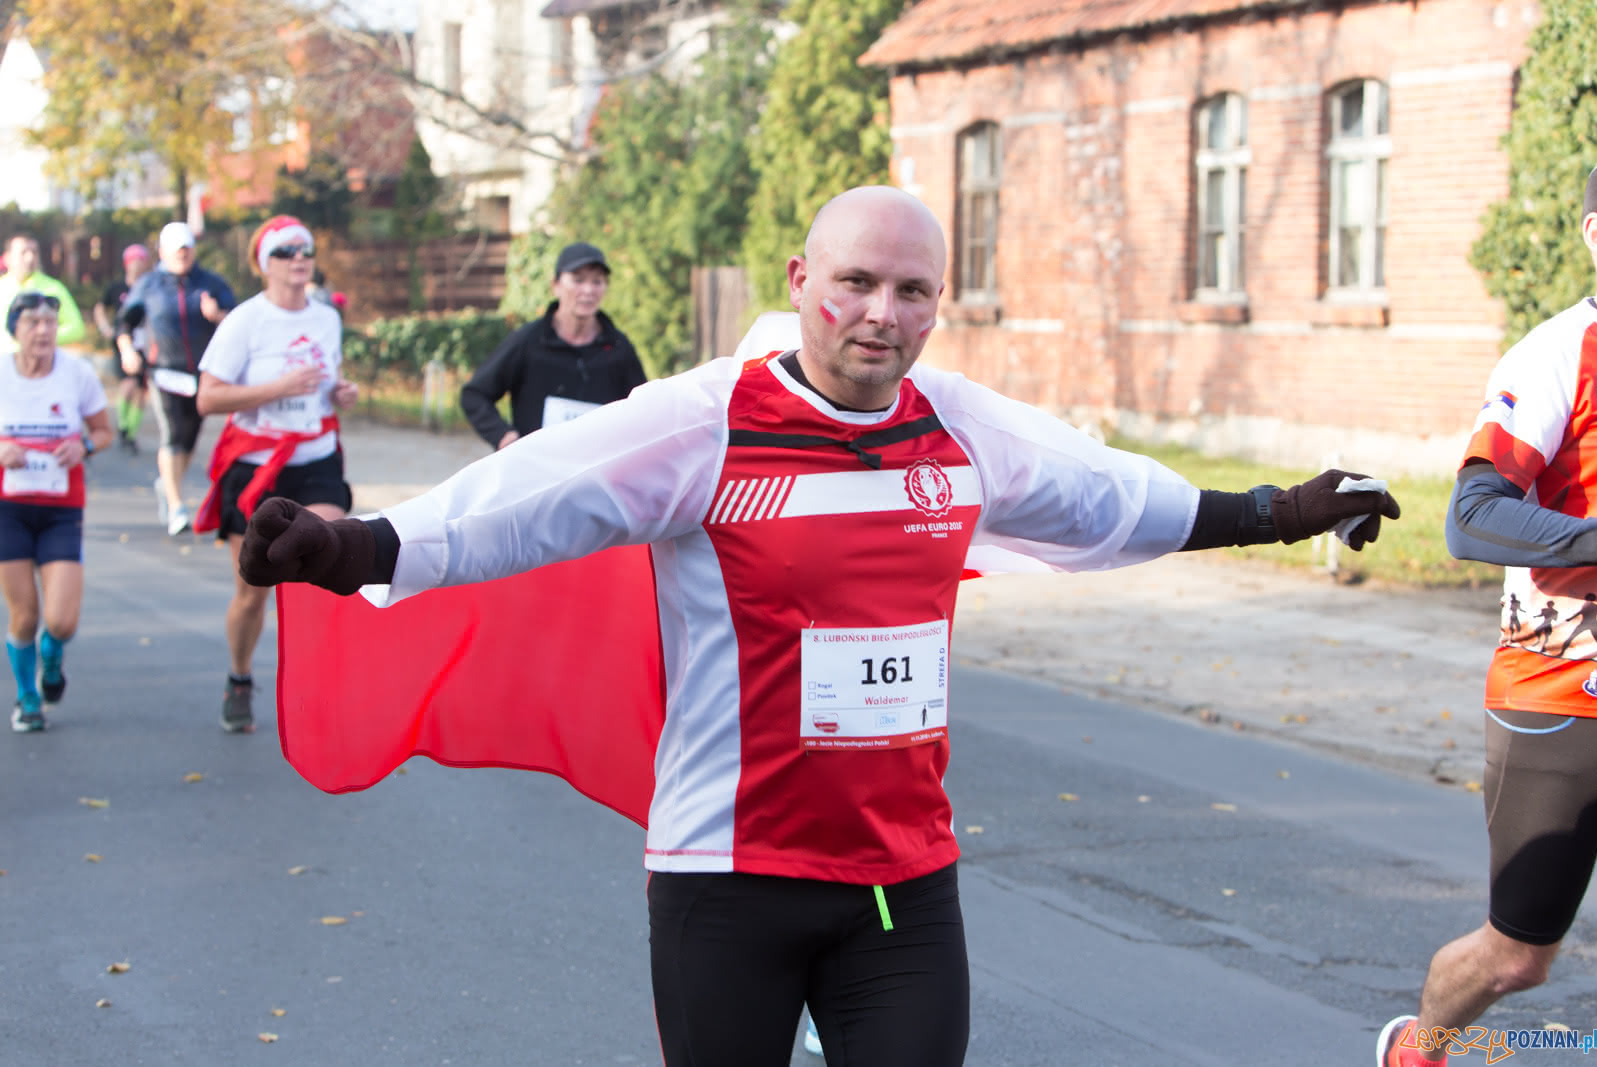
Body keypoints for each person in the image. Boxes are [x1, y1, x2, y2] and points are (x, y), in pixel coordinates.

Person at [237, 186, 1400, 1067]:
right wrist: (355, 548)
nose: (881, 317)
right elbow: (530, 500)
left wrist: (1279, 510)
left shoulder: (955, 426)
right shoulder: (708, 423)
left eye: (912, 292)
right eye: (854, 283)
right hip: (728, 877)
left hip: (901, 881)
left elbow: (1102, 494)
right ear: (800, 278)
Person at [1376, 164, 1597, 1066]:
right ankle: (1418, 1050)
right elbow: (1472, 516)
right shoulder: (1559, 354)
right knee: (1517, 958)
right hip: (1559, 691)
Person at [194, 215, 359, 734]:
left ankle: (313, 689)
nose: (299, 257)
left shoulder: (327, 317)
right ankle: (240, 677)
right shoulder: (245, 321)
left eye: (306, 248)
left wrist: (340, 394)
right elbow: (208, 398)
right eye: (286, 250)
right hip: (257, 468)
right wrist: (277, 388)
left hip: (316, 460)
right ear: (265, 263)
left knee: (322, 565)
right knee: (253, 590)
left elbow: (325, 382)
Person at [0, 290, 114, 732]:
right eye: (32, 322)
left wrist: (83, 445)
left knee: (61, 621)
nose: (44, 330)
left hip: (61, 510)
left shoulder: (76, 374)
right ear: (15, 330)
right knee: (24, 613)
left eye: (51, 321)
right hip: (8, 507)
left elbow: (102, 431)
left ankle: (52, 659)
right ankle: (28, 699)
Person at [459, 241, 646, 450]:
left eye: (597, 281)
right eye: (578, 280)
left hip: (595, 473)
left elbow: (642, 409)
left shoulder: (618, 347)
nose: (588, 290)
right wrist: (503, 436)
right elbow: (474, 394)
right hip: (537, 472)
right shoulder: (529, 341)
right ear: (556, 285)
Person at [119, 222, 236, 537]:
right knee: (171, 434)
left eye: (187, 250)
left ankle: (167, 484)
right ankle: (176, 506)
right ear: (163, 253)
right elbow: (125, 323)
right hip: (164, 370)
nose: (183, 256)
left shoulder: (210, 283)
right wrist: (127, 349)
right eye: (176, 252)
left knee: (189, 438)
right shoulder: (149, 285)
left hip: (201, 374)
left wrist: (217, 316)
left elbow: (239, 321)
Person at [95, 244, 153, 453]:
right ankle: (121, 425)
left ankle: (130, 433)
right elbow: (101, 307)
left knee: (140, 392)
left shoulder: (149, 287)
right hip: (123, 343)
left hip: (145, 344)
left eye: (141, 260)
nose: (137, 264)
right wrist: (105, 327)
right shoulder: (117, 288)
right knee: (128, 385)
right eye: (133, 260)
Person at [0, 235, 86, 346]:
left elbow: (76, 328)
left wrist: (40, 339)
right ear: (8, 258)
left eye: (34, 252)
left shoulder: (54, 288)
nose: (30, 257)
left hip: (40, 361)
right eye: (23, 252)